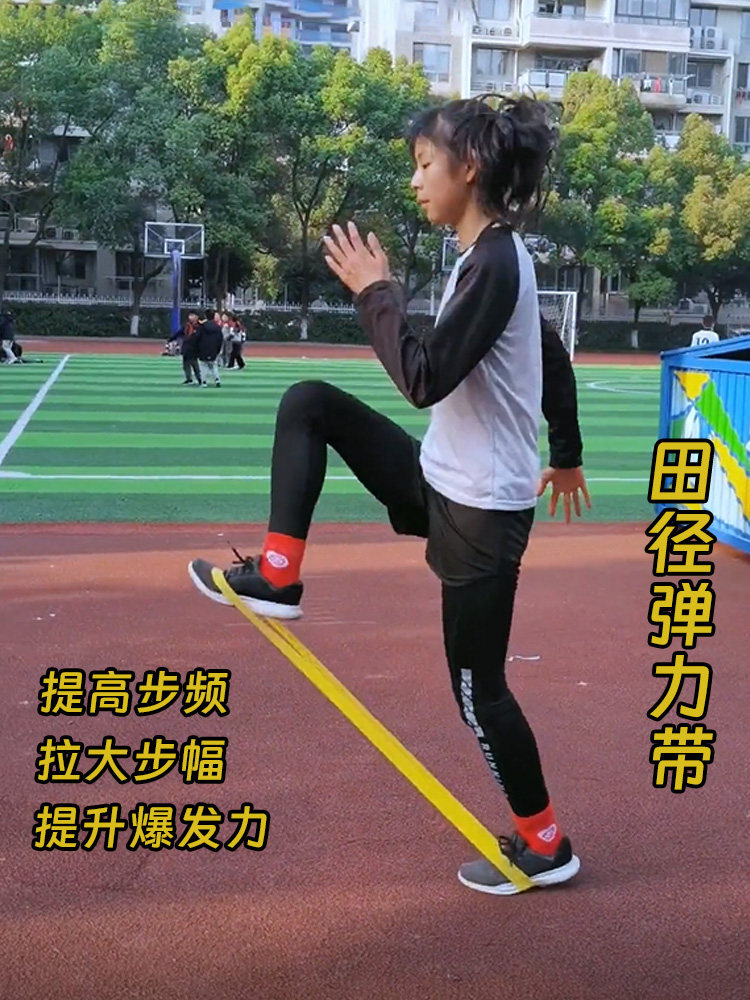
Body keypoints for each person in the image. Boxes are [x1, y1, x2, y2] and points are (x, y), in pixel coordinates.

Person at [187, 95, 591, 895]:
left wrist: (377, 292)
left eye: (423, 164)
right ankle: (277, 575)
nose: (415, 180)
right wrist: (570, 455)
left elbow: (423, 377)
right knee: (308, 403)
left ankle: (546, 844)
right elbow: (549, 351)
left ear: (467, 168)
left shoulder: (496, 261)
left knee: (477, 694)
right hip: (440, 479)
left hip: (480, 515)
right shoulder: (489, 257)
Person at [195, 309, 223, 387]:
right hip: (213, 349)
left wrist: (197, 349)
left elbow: (197, 338)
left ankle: (203, 382)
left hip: (203, 349)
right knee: (213, 365)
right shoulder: (218, 327)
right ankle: (217, 380)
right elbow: (220, 339)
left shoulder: (202, 327)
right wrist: (218, 350)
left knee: (203, 365)